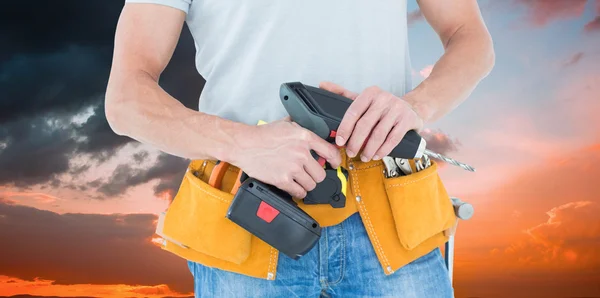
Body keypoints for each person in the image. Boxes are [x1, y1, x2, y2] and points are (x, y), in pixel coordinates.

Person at [105, 0, 494, 297]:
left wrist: (416, 106)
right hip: (253, 217)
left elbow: (469, 36)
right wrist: (246, 144)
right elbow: (126, 99)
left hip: (393, 221)